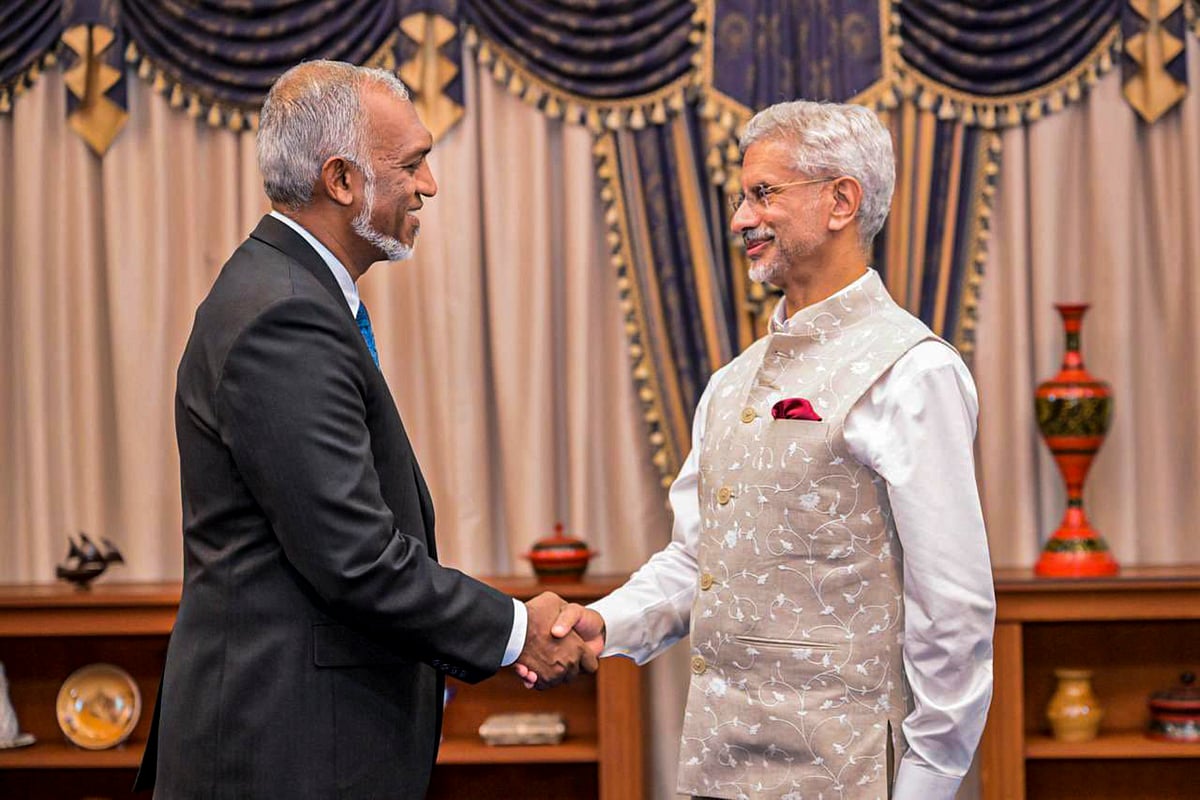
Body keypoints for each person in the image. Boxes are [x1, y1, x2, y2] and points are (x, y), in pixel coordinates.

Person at [135, 60, 595, 799]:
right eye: (410, 165)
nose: (428, 186)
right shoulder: (285, 314)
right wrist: (517, 631)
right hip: (282, 755)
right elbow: (355, 558)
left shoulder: (290, 292)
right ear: (342, 179)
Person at [523, 101, 995, 799]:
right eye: (741, 198)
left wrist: (929, 782)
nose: (741, 219)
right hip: (715, 770)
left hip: (852, 777)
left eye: (763, 193)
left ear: (841, 202)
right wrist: (601, 623)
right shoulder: (729, 383)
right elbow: (697, 561)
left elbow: (953, 611)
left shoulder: (913, 370)